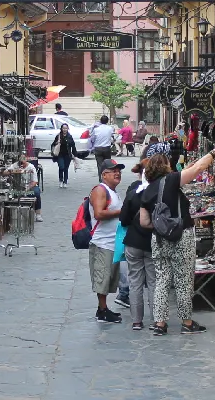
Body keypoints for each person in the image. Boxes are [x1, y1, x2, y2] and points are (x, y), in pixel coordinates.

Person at [141, 143, 215, 336]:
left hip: (159, 239)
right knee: (183, 280)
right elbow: (197, 169)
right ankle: (187, 322)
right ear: (166, 165)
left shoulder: (147, 191)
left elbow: (144, 221)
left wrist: (162, 227)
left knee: (162, 280)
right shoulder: (171, 180)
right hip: (181, 236)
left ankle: (160, 323)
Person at [118, 149, 156, 330]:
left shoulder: (133, 190)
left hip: (133, 241)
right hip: (152, 242)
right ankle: (157, 319)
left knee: (135, 282)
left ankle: (136, 321)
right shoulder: (158, 190)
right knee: (154, 281)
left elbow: (124, 218)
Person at [88, 159, 126, 323]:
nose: (117, 173)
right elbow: (99, 214)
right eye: (113, 171)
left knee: (109, 278)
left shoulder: (112, 191)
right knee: (102, 278)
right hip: (102, 242)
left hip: (112, 242)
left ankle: (103, 309)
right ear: (104, 175)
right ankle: (102, 310)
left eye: (119, 171)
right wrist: (121, 212)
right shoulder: (100, 190)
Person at [4, 154, 42, 222]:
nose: (21, 165)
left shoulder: (31, 167)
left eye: (23, 163)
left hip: (30, 186)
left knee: (36, 193)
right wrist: (11, 171)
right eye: (20, 163)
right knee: (9, 194)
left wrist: (28, 188)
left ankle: (38, 214)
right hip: (18, 186)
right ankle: (9, 215)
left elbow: (35, 181)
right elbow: (5, 172)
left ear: (26, 161)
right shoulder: (15, 165)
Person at [50, 123, 78, 188]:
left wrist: (75, 155)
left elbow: (73, 146)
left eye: (66, 128)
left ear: (68, 129)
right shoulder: (58, 136)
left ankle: (65, 182)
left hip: (67, 155)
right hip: (60, 154)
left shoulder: (69, 136)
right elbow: (53, 145)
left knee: (66, 168)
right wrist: (56, 143)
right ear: (61, 129)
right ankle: (60, 180)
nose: (65, 129)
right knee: (61, 167)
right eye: (63, 128)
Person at [89, 115, 116, 180]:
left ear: (100, 121)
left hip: (98, 148)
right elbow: (112, 137)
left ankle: (101, 179)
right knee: (107, 164)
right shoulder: (110, 128)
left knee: (99, 164)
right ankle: (108, 178)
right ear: (107, 121)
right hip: (107, 148)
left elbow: (92, 139)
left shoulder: (96, 129)